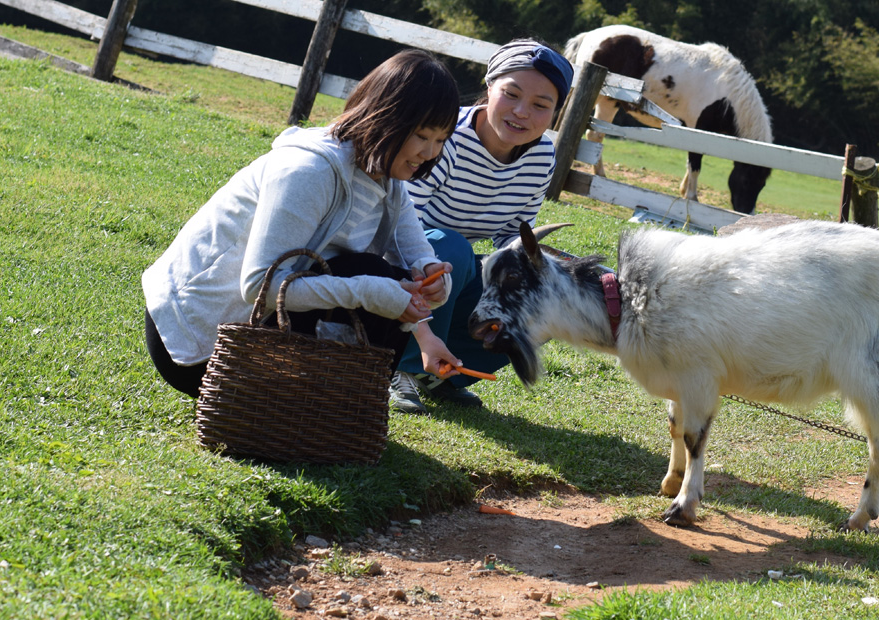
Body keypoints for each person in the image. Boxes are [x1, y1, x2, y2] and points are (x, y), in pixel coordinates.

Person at [141, 49, 470, 397]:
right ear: (387, 117)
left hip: (255, 328)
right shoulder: (308, 172)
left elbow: (416, 260)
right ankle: (322, 407)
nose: (430, 152)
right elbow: (257, 286)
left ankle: (343, 410)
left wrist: (434, 282)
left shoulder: (387, 180)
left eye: (441, 139)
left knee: (384, 277)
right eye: (422, 135)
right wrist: (368, 292)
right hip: (200, 343)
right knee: (371, 274)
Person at [393, 38, 574, 413]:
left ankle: (446, 374)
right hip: (400, 263)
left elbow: (512, 233)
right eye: (511, 94)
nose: (522, 112)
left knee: (543, 295)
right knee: (451, 248)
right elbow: (399, 222)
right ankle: (404, 368)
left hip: (449, 276)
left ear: (556, 112)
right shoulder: (446, 138)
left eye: (541, 105)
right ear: (489, 86)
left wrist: (540, 266)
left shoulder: (541, 156)